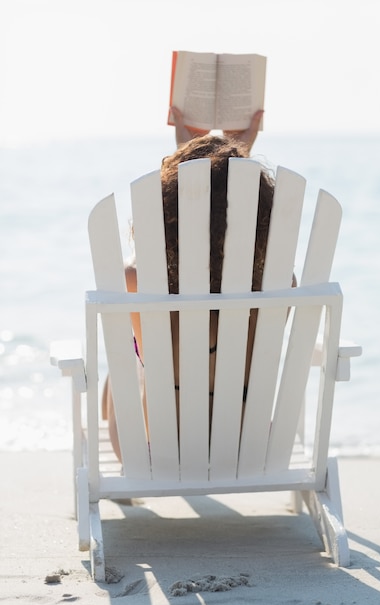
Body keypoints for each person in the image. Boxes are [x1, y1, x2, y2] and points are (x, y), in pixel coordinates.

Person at [102, 108, 292, 461]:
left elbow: (163, 249)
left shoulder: (137, 282)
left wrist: (186, 168)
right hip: (247, 450)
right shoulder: (279, 286)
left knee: (123, 363)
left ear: (166, 212)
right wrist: (233, 163)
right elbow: (227, 227)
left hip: (159, 454)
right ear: (261, 218)